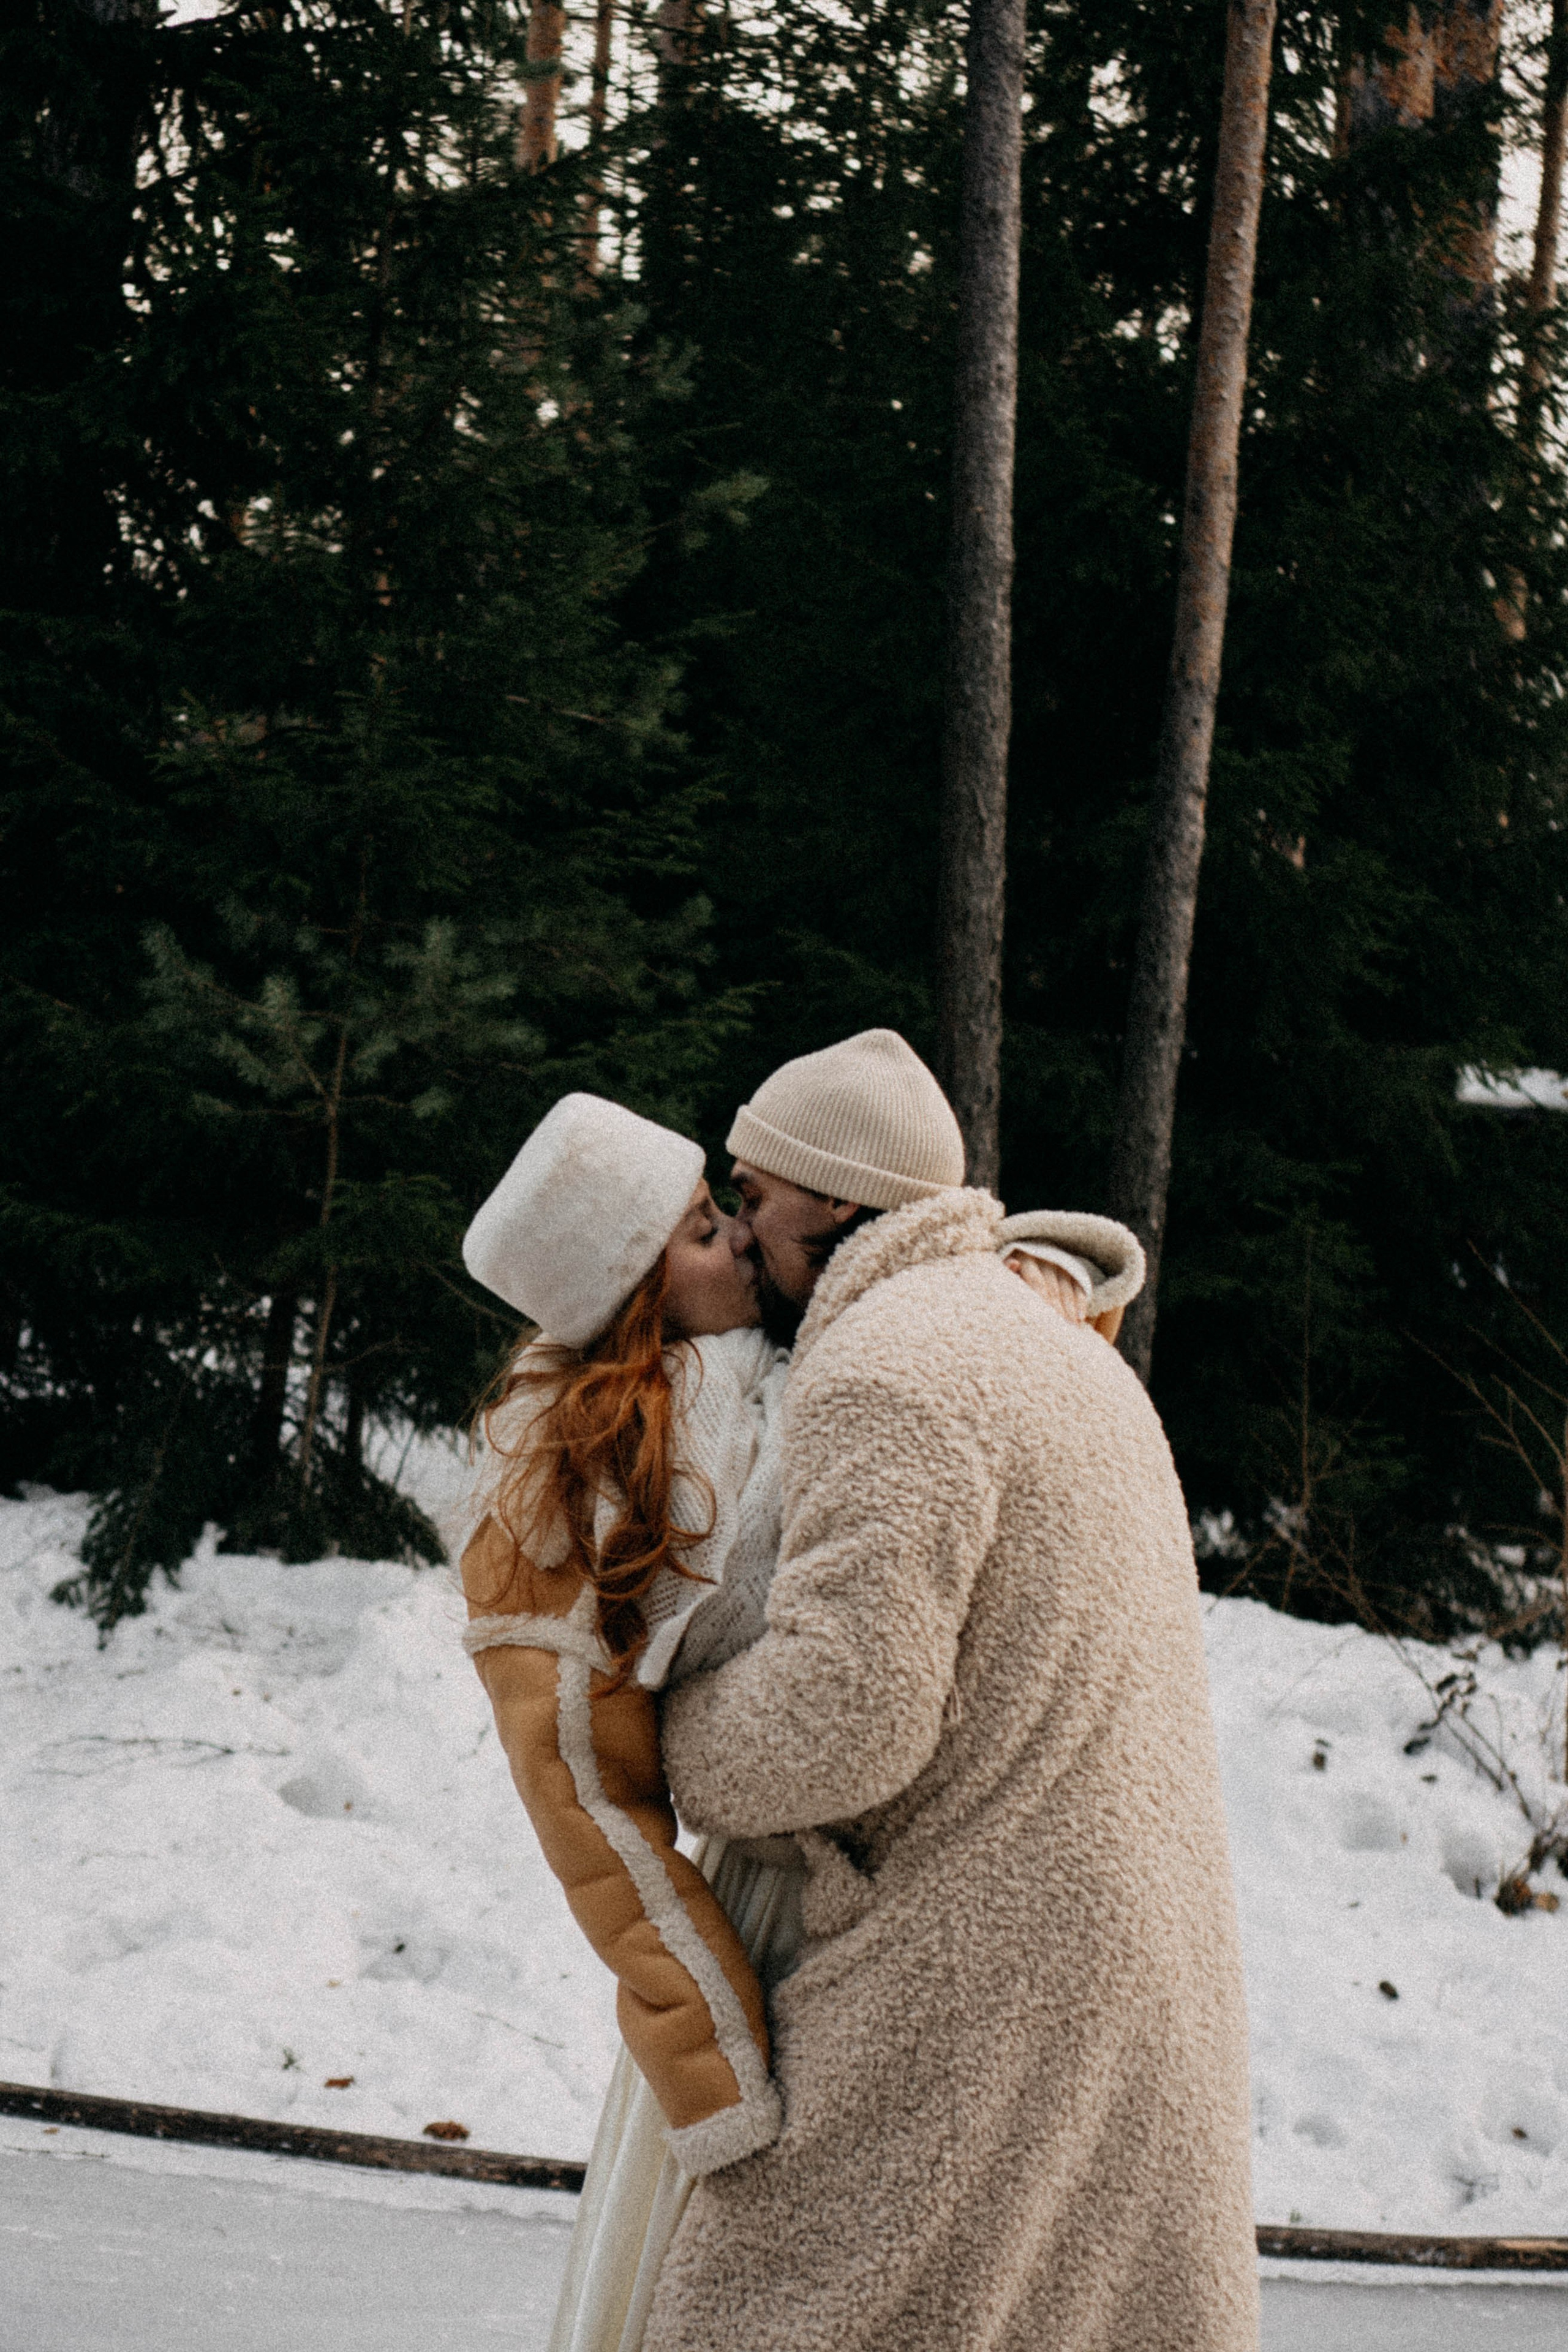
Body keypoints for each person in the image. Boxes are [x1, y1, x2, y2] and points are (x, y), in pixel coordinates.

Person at [454, 1076, 1144, 2352]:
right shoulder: (570, 1490)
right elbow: (586, 1805)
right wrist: (706, 2057)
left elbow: (936, 1287)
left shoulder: (799, 1346)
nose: (734, 1233)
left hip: (870, 1867)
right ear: (629, 1283)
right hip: (766, 1902)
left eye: (733, 1206)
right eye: (702, 1226)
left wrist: (1037, 1266)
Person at [646, 1030, 1261, 2352]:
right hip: (1113, 1944)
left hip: (975, 1967)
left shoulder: (888, 1369)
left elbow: (841, 1716)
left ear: (836, 1199)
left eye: (754, 1196)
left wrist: (661, 1737)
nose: (742, 1231)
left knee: (781, 2310)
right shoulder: (1047, 1345)